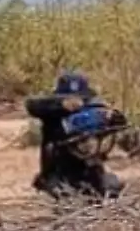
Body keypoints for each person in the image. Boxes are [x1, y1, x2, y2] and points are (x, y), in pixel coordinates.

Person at [25, 71, 125, 200]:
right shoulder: (51, 115)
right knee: (61, 194)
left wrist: (110, 116)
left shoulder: (90, 113)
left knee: (111, 188)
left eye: (79, 98)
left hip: (90, 168)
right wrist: (61, 105)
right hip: (58, 170)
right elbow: (32, 105)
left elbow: (119, 121)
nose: (76, 103)